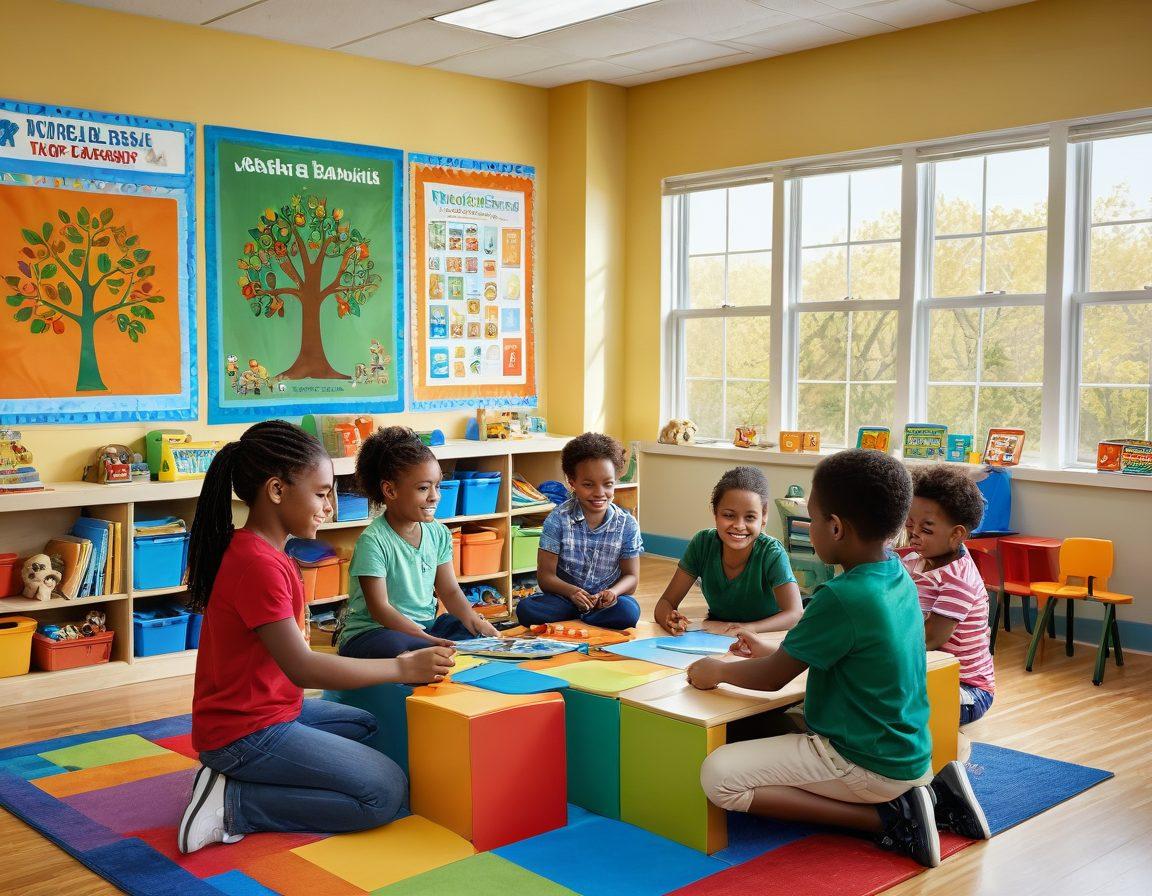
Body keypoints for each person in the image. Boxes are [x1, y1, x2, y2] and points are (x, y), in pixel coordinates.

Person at [687, 450, 990, 869]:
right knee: (764, 724)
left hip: (864, 761)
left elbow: (774, 679)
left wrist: (715, 671)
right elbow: (843, 650)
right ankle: (934, 792)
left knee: (718, 776)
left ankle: (887, 817)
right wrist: (771, 648)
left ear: (835, 527)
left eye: (811, 518)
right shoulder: (896, 573)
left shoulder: (841, 596)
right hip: (905, 750)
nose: (809, 527)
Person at [180, 420, 455, 855]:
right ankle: (236, 804)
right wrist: (402, 666)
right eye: (322, 493)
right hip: (245, 732)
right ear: (276, 491)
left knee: (365, 724)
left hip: (267, 713)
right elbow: (303, 667)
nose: (329, 507)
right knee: (385, 794)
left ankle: (234, 779)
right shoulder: (259, 565)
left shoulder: (267, 552)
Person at [337, 426, 500, 659]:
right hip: (374, 632)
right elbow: (380, 610)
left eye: (437, 485)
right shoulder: (373, 541)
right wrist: (424, 639)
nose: (435, 496)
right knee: (397, 645)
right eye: (423, 488)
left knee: (464, 628)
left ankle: (425, 649)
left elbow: (450, 590)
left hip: (425, 628)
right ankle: (420, 651)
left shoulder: (439, 534)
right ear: (390, 490)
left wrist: (474, 621)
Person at [654, 466, 803, 637]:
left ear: (764, 516)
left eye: (750, 517)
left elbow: (795, 614)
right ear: (715, 513)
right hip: (717, 633)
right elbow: (665, 603)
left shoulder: (771, 553)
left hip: (767, 634)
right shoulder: (702, 544)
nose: (739, 526)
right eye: (729, 515)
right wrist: (669, 619)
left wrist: (747, 629)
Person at [515, 432, 641, 630]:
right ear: (572, 482)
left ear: (616, 480)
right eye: (588, 485)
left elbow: (631, 579)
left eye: (607, 484)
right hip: (564, 599)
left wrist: (613, 593)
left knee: (629, 611)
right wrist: (572, 592)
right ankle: (584, 618)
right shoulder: (558, 520)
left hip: (604, 603)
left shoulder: (627, 524)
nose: (600, 493)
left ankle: (581, 619)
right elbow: (545, 577)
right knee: (526, 609)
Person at [902, 464, 995, 724]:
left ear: (957, 534)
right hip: (926, 672)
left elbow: (931, 638)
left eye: (927, 530)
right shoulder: (913, 561)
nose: (914, 535)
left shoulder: (958, 578)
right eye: (910, 525)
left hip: (966, 688)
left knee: (889, 705)